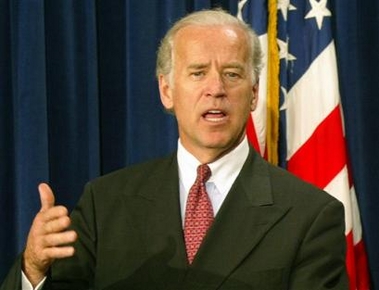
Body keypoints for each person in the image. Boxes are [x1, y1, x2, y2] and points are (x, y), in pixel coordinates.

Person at [1, 8, 348, 290]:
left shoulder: (311, 216)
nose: (216, 88)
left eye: (232, 74)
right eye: (198, 73)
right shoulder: (104, 202)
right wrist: (32, 268)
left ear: (254, 92)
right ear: (166, 90)